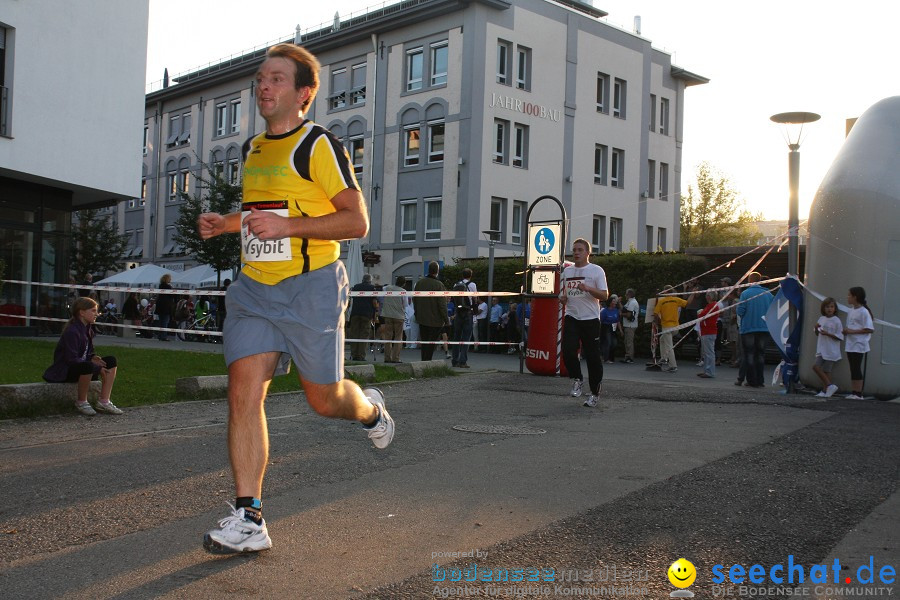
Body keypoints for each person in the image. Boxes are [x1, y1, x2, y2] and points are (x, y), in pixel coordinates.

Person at [195, 42, 394, 555]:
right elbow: (266, 214)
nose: (263, 86)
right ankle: (249, 517)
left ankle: (370, 412)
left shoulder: (319, 146)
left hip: (311, 289)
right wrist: (228, 223)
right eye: (261, 78)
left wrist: (291, 226)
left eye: (276, 79)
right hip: (254, 289)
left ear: (304, 94)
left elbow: (356, 221)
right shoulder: (252, 149)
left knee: (324, 400)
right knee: (243, 394)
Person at [42, 297, 123, 416]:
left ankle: (104, 401)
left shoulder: (88, 329)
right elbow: (71, 359)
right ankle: (81, 401)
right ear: (82, 312)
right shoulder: (72, 331)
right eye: (93, 311)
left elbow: (87, 352)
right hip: (65, 370)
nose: (97, 314)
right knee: (88, 366)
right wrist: (96, 368)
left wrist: (93, 357)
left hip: (82, 366)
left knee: (111, 361)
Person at [560, 238, 609, 408]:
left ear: (588, 253)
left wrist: (588, 288)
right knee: (567, 350)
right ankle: (577, 379)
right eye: (574, 250)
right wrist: (563, 299)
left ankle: (594, 393)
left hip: (590, 319)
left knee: (593, 358)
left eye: (580, 250)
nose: (576, 253)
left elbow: (604, 295)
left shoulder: (596, 271)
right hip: (572, 316)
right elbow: (567, 294)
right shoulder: (567, 272)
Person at [735, 272, 774, 388]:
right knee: (761, 355)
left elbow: (740, 311)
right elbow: (773, 311)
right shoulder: (768, 294)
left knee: (749, 355)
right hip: (764, 328)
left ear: (749, 281)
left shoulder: (745, 294)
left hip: (748, 328)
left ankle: (751, 380)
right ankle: (760, 380)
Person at [653, 285, 696, 373]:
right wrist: (693, 294)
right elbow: (688, 303)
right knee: (662, 339)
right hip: (676, 327)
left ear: (665, 292)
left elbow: (655, 314)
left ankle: (673, 366)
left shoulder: (662, 301)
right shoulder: (676, 300)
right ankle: (664, 358)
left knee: (669, 346)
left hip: (667, 327)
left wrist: (657, 322)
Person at [412, 261, 449, 361]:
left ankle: (423, 361)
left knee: (424, 342)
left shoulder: (419, 283)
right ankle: (427, 363)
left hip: (422, 318)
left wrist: (417, 313)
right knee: (431, 344)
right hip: (435, 320)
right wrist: (446, 319)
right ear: (437, 271)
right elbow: (442, 304)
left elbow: (414, 300)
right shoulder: (439, 285)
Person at [843, 286, 874, 400]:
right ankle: (854, 391)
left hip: (859, 344)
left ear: (855, 297)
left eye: (849, 295)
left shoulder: (864, 312)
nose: (848, 297)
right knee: (852, 367)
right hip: (850, 343)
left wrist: (852, 331)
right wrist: (846, 331)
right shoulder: (851, 310)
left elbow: (869, 329)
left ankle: (858, 393)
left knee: (856, 367)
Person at [812, 297, 843, 397]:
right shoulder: (821, 318)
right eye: (827, 307)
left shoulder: (837, 320)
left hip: (831, 350)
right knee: (816, 366)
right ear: (823, 308)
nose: (829, 309)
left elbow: (840, 337)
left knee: (826, 370)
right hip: (821, 348)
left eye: (831, 307)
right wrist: (816, 328)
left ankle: (826, 390)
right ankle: (829, 386)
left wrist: (828, 334)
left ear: (835, 308)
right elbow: (817, 333)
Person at [451, 268, 477, 368]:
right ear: (470, 275)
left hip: (458, 312)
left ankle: (455, 360)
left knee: (456, 337)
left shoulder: (456, 285)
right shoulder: (472, 285)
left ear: (462, 275)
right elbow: (475, 298)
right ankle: (463, 361)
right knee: (466, 337)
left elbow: (453, 299)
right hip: (467, 312)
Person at [348, 273, 378, 361]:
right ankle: (361, 355)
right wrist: (376, 310)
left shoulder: (355, 287)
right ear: (370, 280)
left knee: (355, 334)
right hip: (366, 314)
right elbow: (374, 302)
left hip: (355, 313)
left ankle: (354, 354)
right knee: (364, 335)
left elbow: (350, 298)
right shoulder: (372, 288)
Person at [380, 276, 406, 363]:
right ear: (403, 284)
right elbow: (405, 304)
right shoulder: (403, 291)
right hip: (399, 316)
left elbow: (382, 288)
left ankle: (387, 357)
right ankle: (396, 358)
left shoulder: (387, 288)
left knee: (388, 336)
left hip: (387, 314)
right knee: (398, 337)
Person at [696, 291, 720, 378]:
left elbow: (702, 315)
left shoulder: (712, 306)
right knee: (707, 352)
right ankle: (706, 370)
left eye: (707, 296)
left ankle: (709, 372)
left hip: (709, 331)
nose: (706, 297)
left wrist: (700, 314)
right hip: (706, 331)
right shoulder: (711, 305)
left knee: (709, 352)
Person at [619, 289, 639, 363]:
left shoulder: (632, 302)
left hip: (631, 325)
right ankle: (627, 356)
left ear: (629, 295)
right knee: (627, 341)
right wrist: (619, 302)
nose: (625, 295)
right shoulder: (630, 302)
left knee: (629, 341)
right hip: (628, 325)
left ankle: (630, 357)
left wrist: (621, 314)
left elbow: (629, 315)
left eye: (626, 294)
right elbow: (624, 309)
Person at [599, 294, 620, 363]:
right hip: (606, 327)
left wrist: (621, 330)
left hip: (613, 328)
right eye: (613, 301)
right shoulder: (604, 311)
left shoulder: (616, 310)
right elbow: (601, 320)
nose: (615, 303)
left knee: (614, 343)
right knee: (608, 343)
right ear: (610, 303)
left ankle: (611, 358)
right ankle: (606, 358)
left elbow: (617, 320)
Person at [156, 273, 176, 342]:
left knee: (161, 321)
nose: (170, 279)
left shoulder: (160, 286)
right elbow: (172, 295)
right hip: (166, 306)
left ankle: (160, 335)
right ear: (167, 279)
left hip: (160, 306)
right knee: (165, 322)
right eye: (170, 278)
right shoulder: (168, 287)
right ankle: (164, 336)